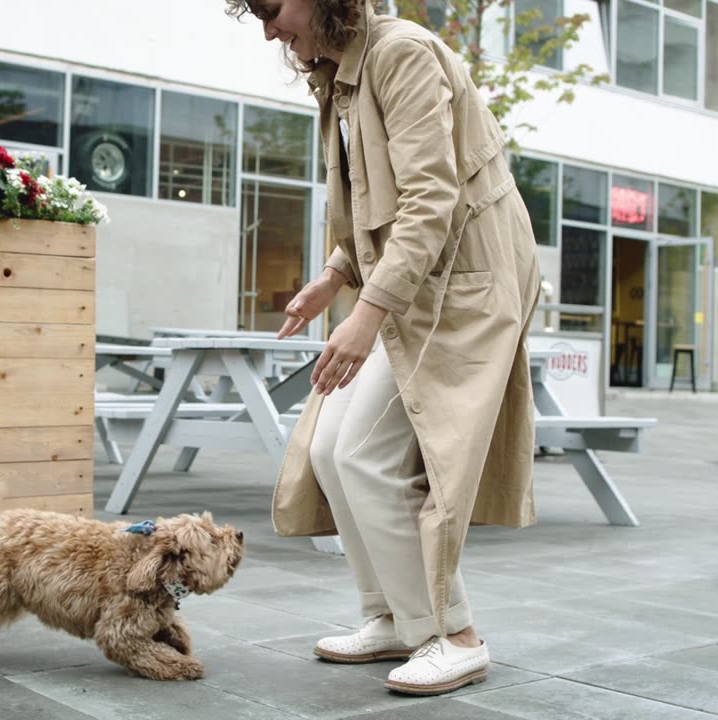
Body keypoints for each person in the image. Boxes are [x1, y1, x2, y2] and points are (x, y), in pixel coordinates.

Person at [223, 0, 542, 696]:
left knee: (364, 452)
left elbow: (430, 199)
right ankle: (396, 618)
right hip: (418, 281)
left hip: (462, 282)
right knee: (333, 450)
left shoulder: (398, 54)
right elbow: (377, 199)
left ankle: (452, 635)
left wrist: (365, 313)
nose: (269, 29)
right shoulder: (341, 72)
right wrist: (334, 276)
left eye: (270, 8)